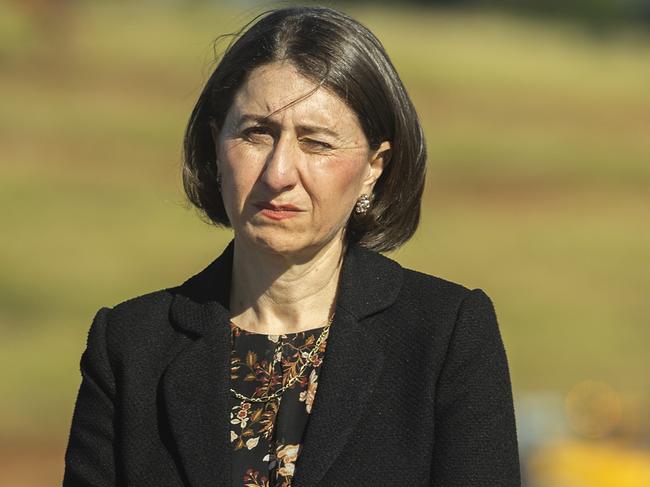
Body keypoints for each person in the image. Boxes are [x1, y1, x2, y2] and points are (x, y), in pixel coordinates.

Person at [63, 5, 521, 487]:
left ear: (375, 166)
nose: (279, 174)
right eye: (257, 134)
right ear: (215, 144)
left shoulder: (445, 335)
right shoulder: (130, 345)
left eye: (316, 143)